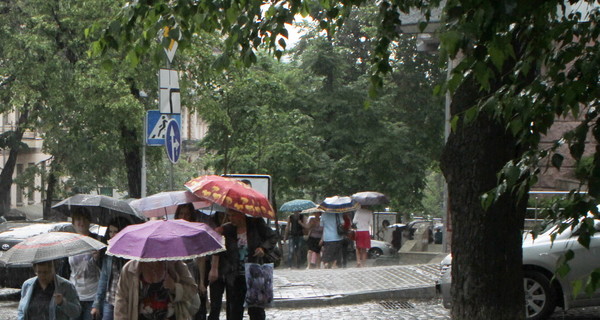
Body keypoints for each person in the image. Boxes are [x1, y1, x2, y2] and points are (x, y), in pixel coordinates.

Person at [208, 209, 278, 320]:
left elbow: (272, 237)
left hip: (254, 273)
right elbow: (218, 247)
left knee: (256, 310)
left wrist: (263, 248)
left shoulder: (256, 223)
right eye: (229, 215)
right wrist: (217, 233)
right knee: (234, 310)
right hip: (235, 275)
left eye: (233, 215)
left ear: (241, 214)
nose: (230, 218)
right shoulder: (228, 229)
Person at [114, 260, 200, 320]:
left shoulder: (175, 264)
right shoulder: (129, 269)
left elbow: (192, 289)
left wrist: (174, 287)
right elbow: (121, 303)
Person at [91, 217, 132, 320]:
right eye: (110, 232)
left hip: (126, 300)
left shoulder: (131, 253)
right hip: (110, 300)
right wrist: (97, 304)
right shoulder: (109, 253)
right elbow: (104, 279)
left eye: (116, 232)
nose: (112, 235)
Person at [175, 204, 209, 320]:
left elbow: (201, 258)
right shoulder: (173, 232)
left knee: (194, 303)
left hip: (191, 269)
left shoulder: (196, 232)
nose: (184, 217)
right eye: (181, 213)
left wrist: (202, 282)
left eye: (187, 214)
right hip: (176, 269)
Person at [69, 208, 102, 320]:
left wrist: (99, 258)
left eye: (84, 219)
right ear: (73, 223)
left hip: (92, 295)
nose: (81, 223)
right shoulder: (69, 242)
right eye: (78, 219)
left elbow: (105, 270)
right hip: (74, 295)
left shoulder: (98, 242)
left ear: (89, 221)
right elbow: (65, 269)